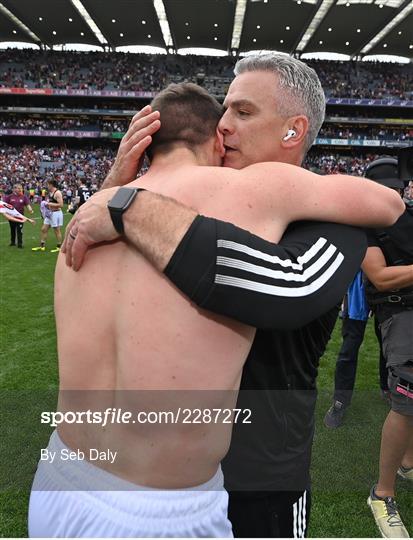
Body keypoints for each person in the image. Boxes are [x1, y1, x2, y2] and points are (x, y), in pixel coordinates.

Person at [63, 55, 404, 537]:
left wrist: (130, 207)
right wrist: (117, 187)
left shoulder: (334, 221)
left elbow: (288, 288)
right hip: (153, 475)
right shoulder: (185, 200)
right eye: (224, 111)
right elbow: (83, 257)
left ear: (293, 130)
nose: (222, 126)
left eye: (242, 113)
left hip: (260, 480)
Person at [361, 157, 413, 539]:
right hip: (400, 315)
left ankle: (408, 463)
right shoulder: (366, 226)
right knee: (407, 396)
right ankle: (382, 493)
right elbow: (380, 277)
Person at [32, 180, 63, 253]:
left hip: (56, 213)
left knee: (56, 230)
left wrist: (48, 204)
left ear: (51, 185)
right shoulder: (50, 192)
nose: (47, 186)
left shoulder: (57, 193)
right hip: (50, 213)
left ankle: (59, 247)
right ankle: (42, 245)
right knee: (44, 229)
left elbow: (61, 204)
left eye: (48, 184)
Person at [2, 183, 33, 248]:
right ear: (14, 189)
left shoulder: (24, 197)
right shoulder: (9, 197)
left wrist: (30, 210)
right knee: (12, 229)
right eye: (19, 188)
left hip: (20, 216)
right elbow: (4, 205)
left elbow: (28, 205)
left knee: (20, 230)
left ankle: (20, 244)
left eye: (21, 188)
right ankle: (12, 242)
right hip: (12, 216)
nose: (20, 189)